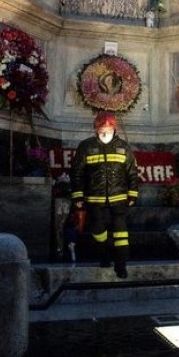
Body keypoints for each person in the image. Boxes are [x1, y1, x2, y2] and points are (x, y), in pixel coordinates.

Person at [70, 112, 139, 278]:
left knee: (121, 233)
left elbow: (132, 172)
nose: (105, 132)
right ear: (96, 129)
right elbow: (77, 172)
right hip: (95, 197)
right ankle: (104, 255)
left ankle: (121, 265)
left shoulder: (124, 147)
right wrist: (78, 196)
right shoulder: (86, 146)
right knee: (97, 229)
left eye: (108, 128)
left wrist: (132, 194)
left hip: (119, 197)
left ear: (115, 128)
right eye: (101, 129)